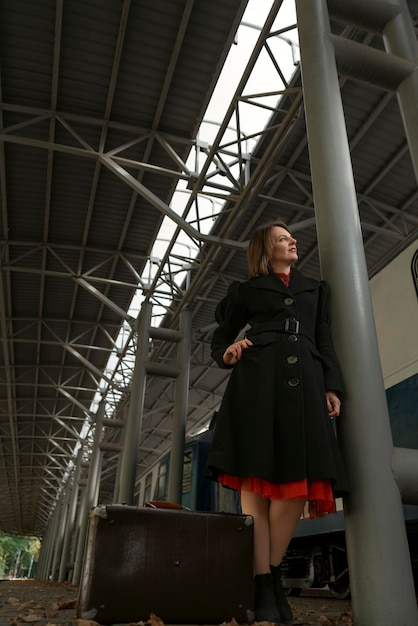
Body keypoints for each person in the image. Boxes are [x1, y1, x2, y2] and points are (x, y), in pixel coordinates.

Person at [205, 221, 348, 625]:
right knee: (256, 490)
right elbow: (220, 337)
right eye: (283, 238)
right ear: (265, 249)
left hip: (306, 385)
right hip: (257, 386)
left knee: (294, 490)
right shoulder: (246, 291)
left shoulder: (315, 290)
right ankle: (266, 586)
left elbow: (325, 341)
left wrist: (331, 387)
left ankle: (263, 578)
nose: (292, 241)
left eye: (291, 237)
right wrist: (228, 353)